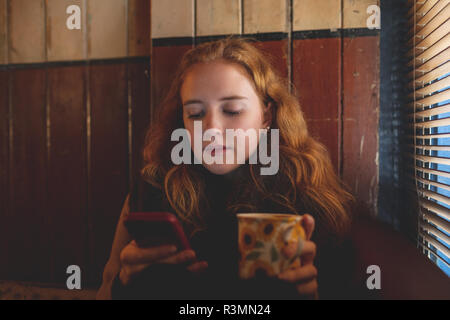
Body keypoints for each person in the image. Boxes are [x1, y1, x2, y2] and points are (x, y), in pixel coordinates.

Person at [96, 37, 356, 300]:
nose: (211, 130)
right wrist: (124, 285)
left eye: (232, 111)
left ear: (266, 116)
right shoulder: (154, 187)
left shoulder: (305, 190)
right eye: (195, 114)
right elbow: (106, 288)